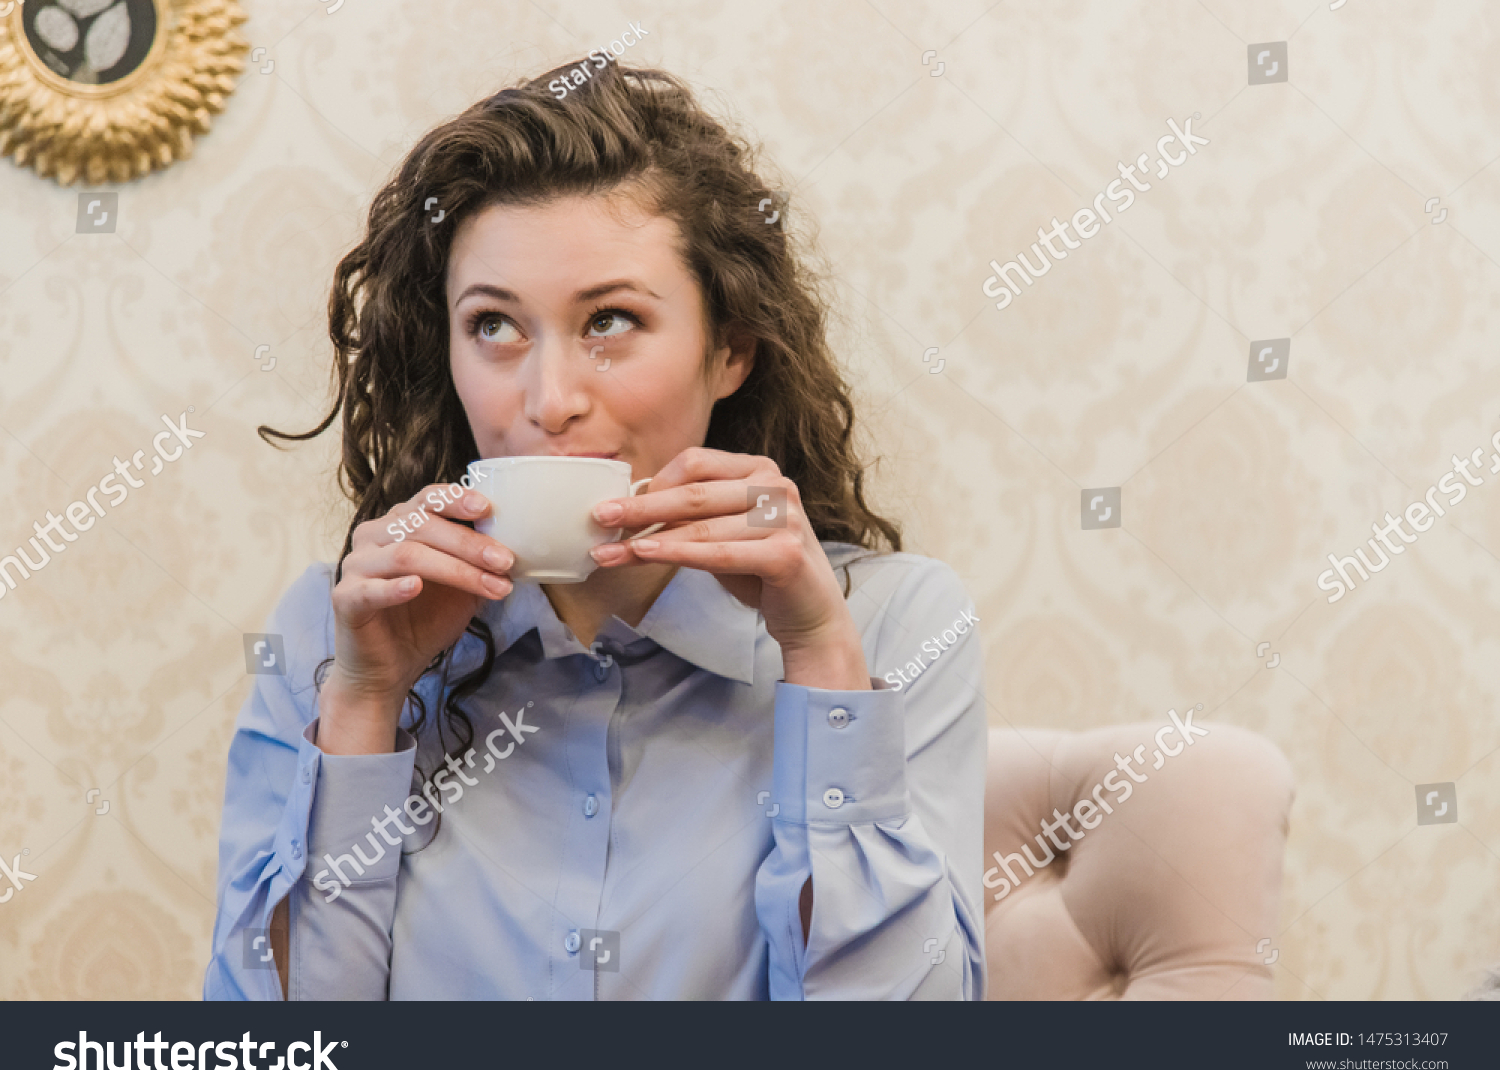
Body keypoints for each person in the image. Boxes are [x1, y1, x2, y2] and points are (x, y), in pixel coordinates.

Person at [204, 57, 986, 1001]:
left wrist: (820, 659)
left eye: (610, 319)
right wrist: (367, 706)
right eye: (494, 326)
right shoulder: (329, 634)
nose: (550, 399)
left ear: (729, 349)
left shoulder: (896, 623)